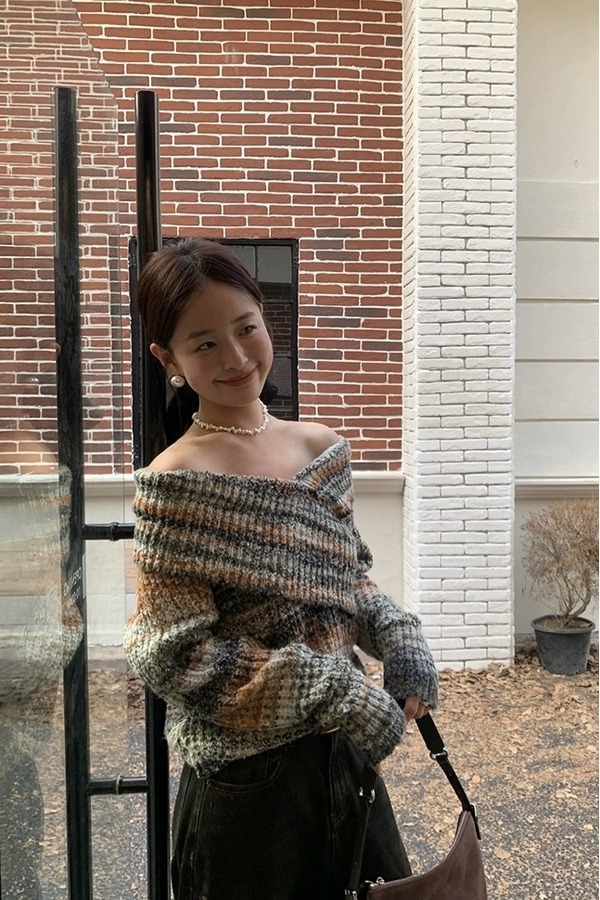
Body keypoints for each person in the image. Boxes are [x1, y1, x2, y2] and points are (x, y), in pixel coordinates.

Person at [123, 237, 439, 900]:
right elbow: (174, 657)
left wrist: (398, 633)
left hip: (346, 766)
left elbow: (346, 583)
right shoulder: (175, 484)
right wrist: (336, 690)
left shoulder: (321, 449)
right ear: (168, 360)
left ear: (266, 319)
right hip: (247, 790)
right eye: (205, 343)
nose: (236, 358)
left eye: (246, 329)